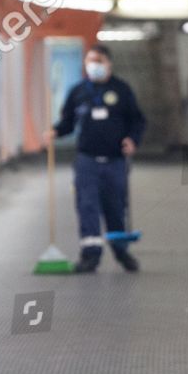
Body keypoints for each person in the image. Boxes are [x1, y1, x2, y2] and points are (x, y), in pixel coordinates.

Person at [47, 44, 146, 273]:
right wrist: (55, 131)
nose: (94, 65)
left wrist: (132, 140)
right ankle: (90, 255)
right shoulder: (78, 91)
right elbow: (67, 122)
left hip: (115, 160)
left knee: (115, 206)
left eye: (99, 61)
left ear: (108, 63)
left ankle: (121, 252)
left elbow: (138, 121)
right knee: (87, 205)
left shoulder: (122, 90)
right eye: (90, 61)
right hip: (87, 160)